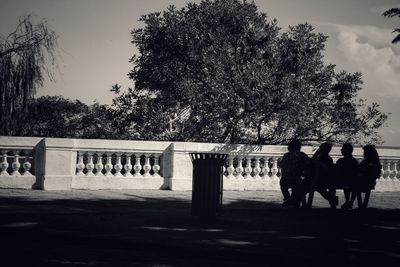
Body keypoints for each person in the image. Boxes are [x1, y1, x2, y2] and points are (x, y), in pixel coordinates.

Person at [279, 139, 311, 207]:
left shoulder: (286, 155)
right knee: (299, 186)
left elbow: (282, 167)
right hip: (296, 179)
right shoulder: (302, 155)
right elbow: (309, 163)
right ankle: (291, 200)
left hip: (285, 179)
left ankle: (288, 199)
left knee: (284, 185)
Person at [309, 142, 338, 207]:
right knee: (330, 186)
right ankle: (332, 200)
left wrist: (316, 153)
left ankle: (331, 199)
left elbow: (311, 162)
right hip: (328, 179)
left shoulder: (317, 159)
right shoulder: (329, 159)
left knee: (316, 186)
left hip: (318, 180)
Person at [335, 143, 359, 209]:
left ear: (346, 150)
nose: (341, 150)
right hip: (353, 182)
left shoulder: (341, 161)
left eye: (342, 149)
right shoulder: (354, 161)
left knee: (346, 183)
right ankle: (350, 202)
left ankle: (348, 202)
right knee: (351, 183)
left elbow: (336, 171)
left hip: (344, 181)